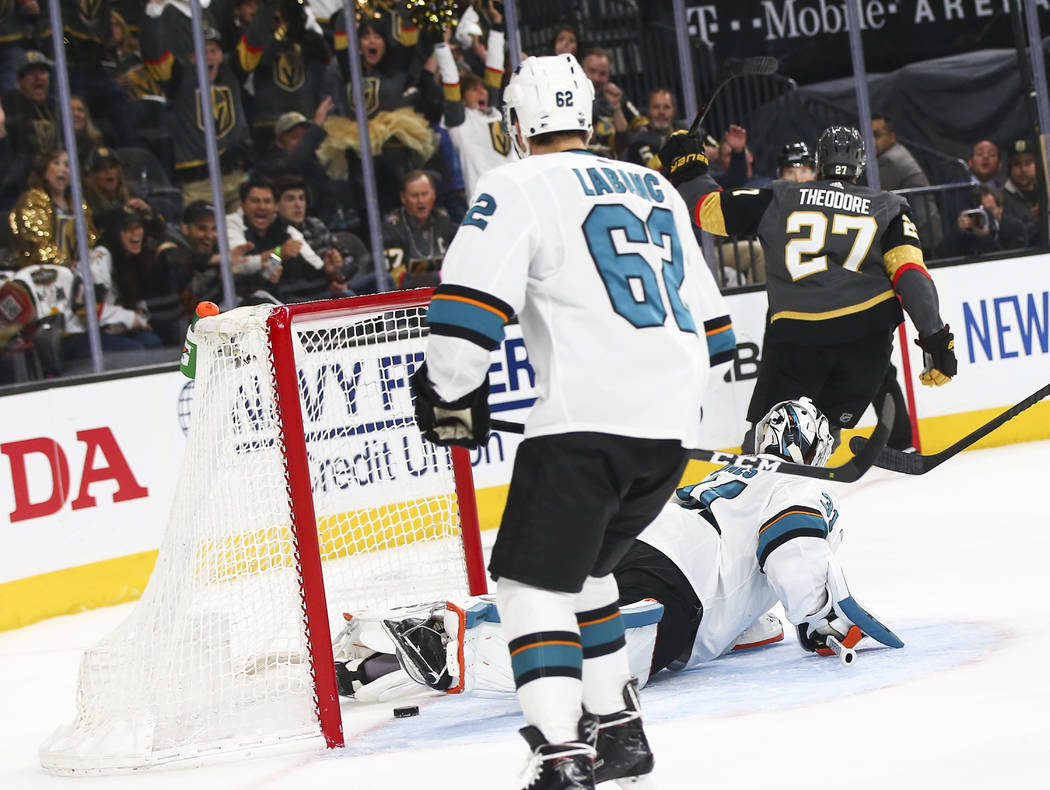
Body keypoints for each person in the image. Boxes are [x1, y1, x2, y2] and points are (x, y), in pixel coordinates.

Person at [410, 54, 734, 790]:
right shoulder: (654, 185)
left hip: (586, 422)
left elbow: (463, 317)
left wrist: (450, 390)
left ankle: (560, 751)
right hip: (671, 431)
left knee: (528, 586)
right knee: (587, 571)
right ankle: (619, 731)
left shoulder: (515, 183)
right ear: (589, 119)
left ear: (517, 125)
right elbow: (717, 334)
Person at [337, 398, 903, 700]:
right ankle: (438, 632)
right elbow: (790, 543)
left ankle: (382, 667)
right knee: (596, 660)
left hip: (630, 549)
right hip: (673, 581)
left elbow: (748, 608)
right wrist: (820, 614)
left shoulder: (730, 479)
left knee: (581, 628)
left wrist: (775, 625)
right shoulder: (796, 486)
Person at [661, 125, 956, 449]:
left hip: (797, 334)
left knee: (770, 432)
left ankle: (758, 464)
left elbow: (709, 209)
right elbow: (911, 275)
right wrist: (935, 339)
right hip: (866, 339)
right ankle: (833, 442)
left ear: (818, 163)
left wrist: (688, 165)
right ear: (860, 165)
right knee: (826, 427)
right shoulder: (888, 207)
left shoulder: (781, 196)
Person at [433, 12, 514, 200]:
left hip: (516, 195)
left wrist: (497, 26)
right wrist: (441, 47)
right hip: (486, 204)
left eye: (483, 89)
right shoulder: (461, 123)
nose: (482, 93)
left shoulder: (495, 113)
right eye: (474, 90)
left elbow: (495, 68)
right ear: (462, 99)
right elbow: (451, 82)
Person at [225, 175, 324, 302]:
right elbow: (239, 265)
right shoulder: (230, 224)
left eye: (267, 201)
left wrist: (331, 270)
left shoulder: (285, 227)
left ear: (275, 206)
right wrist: (278, 252)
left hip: (278, 297)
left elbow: (315, 262)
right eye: (255, 201)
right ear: (243, 205)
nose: (262, 207)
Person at [8, 148, 98, 268]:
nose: (63, 169)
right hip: (42, 271)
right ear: (44, 170)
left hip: (76, 269)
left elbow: (89, 239)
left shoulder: (78, 203)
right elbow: (37, 244)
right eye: (56, 163)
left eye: (67, 165)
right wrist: (66, 264)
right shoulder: (33, 199)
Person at [871, 114, 942, 253]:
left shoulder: (890, 160)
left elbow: (874, 196)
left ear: (892, 137)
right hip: (920, 231)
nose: (871, 141)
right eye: (867, 136)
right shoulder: (895, 152)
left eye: (877, 135)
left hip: (921, 235)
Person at [381, 170, 456, 289]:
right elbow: (397, 278)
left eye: (425, 194)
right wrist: (441, 276)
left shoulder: (443, 220)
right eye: (414, 196)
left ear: (434, 195)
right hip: (409, 298)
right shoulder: (392, 228)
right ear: (403, 198)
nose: (421, 201)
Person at [937, 185, 1029, 258]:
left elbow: (1012, 261)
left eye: (990, 209)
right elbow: (941, 255)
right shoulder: (967, 230)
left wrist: (985, 236)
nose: (986, 215)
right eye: (981, 211)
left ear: (1000, 209)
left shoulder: (1015, 227)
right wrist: (957, 231)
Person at [1002, 138, 1039, 243]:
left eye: (1028, 163)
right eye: (1017, 164)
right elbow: (1016, 237)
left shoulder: (1046, 191)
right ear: (1009, 168)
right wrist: (1040, 218)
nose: (1023, 169)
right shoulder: (1000, 198)